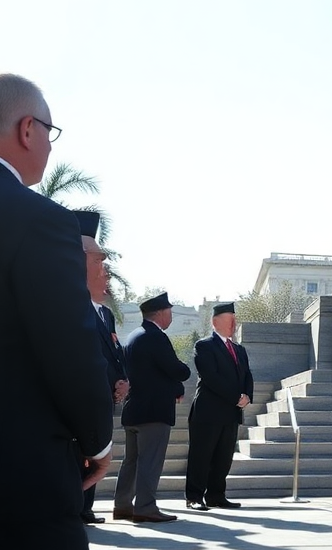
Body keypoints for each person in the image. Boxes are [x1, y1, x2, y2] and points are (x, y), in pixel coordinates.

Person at [0, 73, 114, 550]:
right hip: (8, 489)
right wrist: (97, 442)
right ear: (27, 129)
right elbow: (68, 346)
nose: (50, 146)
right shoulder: (38, 219)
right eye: (50, 132)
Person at [114, 292, 191, 523]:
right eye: (170, 312)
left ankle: (123, 506)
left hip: (134, 409)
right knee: (150, 461)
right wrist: (183, 374)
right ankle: (145, 507)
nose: (171, 317)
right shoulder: (156, 337)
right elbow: (174, 368)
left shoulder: (134, 336)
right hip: (153, 412)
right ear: (160, 313)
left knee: (131, 462)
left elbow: (154, 372)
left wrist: (174, 386)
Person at [75, 210, 128, 526]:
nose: (105, 269)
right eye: (99, 261)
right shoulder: (69, 305)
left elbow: (114, 354)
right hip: (82, 399)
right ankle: (76, 506)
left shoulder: (105, 315)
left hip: (103, 397)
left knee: (93, 453)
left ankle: (85, 507)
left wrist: (122, 381)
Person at [186, 302, 254, 510]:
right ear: (215, 322)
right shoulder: (204, 345)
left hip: (230, 413)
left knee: (223, 457)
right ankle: (194, 497)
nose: (234, 323)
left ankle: (216, 495)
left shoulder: (239, 349)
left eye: (235, 318)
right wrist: (236, 396)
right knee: (201, 455)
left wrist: (247, 396)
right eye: (229, 319)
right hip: (208, 412)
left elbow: (247, 375)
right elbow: (211, 377)